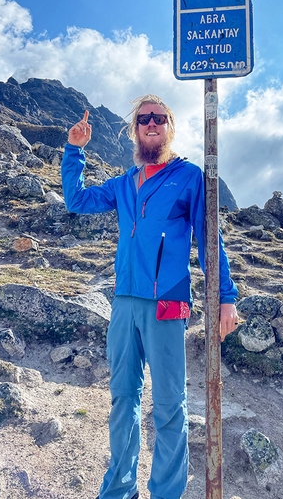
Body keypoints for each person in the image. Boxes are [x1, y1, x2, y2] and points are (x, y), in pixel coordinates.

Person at [61, 94, 239, 499]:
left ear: (170, 127)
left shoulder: (190, 177)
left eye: (160, 117)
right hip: (124, 300)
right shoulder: (124, 184)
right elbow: (77, 200)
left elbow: (210, 238)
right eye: (144, 119)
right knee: (123, 399)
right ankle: (119, 489)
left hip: (168, 300)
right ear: (135, 130)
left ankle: (166, 493)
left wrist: (225, 296)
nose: (152, 123)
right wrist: (74, 151)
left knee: (169, 405)